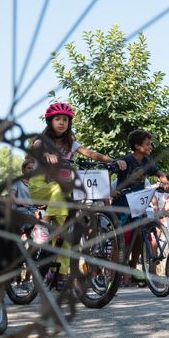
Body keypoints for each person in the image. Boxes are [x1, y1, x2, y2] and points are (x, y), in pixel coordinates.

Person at [28, 102, 118, 284]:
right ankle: (43, 224)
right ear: (50, 121)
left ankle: (59, 274)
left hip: (61, 193)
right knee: (59, 189)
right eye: (57, 119)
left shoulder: (71, 143)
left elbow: (91, 154)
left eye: (65, 120)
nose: (61, 122)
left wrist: (114, 161)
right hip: (41, 186)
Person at [112, 129, 161, 283]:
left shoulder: (147, 162)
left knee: (140, 235)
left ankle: (132, 268)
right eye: (147, 144)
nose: (150, 147)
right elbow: (109, 171)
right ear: (137, 146)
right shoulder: (126, 161)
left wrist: (165, 181)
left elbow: (159, 173)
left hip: (137, 204)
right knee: (119, 240)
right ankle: (115, 275)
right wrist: (110, 190)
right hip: (122, 205)